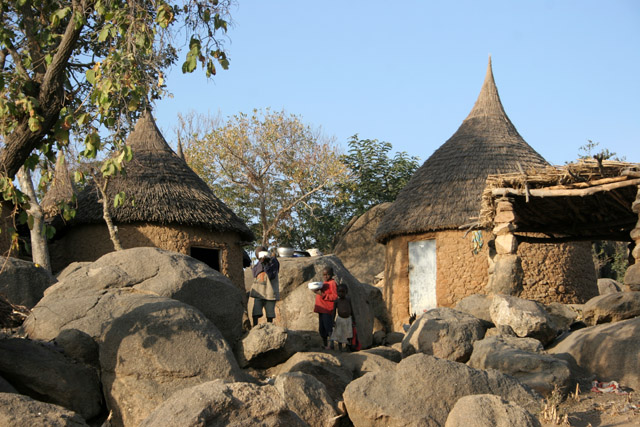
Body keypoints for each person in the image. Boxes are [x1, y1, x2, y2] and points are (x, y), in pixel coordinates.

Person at [250, 246, 280, 327]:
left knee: (270, 314)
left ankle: (269, 328)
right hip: (259, 292)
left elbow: (271, 274)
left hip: (270, 292)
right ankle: (255, 328)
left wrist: (266, 262)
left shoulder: (273, 261)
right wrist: (262, 262)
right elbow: (254, 273)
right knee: (255, 313)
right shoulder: (258, 264)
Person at [313, 266, 338, 349]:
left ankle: (331, 345)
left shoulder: (332, 283)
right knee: (322, 329)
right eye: (324, 275)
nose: (325, 276)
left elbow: (335, 296)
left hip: (327, 309)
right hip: (321, 309)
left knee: (328, 327)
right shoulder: (323, 283)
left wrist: (323, 295)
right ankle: (325, 344)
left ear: (332, 274)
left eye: (328, 274)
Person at [330, 284, 355, 352]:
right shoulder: (336, 301)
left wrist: (353, 319)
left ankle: (348, 347)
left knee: (349, 334)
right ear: (337, 292)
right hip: (340, 319)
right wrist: (332, 320)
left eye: (343, 292)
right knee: (339, 334)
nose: (341, 293)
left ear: (346, 292)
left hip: (348, 319)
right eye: (339, 292)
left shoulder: (348, 300)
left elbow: (351, 309)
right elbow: (334, 311)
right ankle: (340, 348)